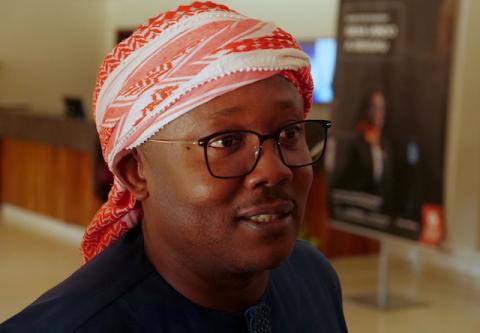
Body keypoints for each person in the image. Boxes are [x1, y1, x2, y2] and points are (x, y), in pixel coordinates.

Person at [0, 2, 347, 332]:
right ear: (136, 171)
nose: (275, 171)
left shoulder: (313, 276)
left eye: (289, 132)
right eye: (226, 142)